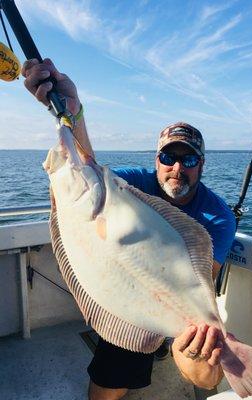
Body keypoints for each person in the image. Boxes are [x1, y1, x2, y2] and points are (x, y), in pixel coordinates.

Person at [22, 58, 236, 400]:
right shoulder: (132, 183)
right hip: (132, 298)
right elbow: (86, 169)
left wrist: (190, 332)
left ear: (202, 165)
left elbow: (202, 283)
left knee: (206, 373)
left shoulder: (219, 217)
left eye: (189, 159)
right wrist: (71, 111)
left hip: (175, 302)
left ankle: (183, 354)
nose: (177, 168)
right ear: (156, 160)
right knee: (111, 374)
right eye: (168, 158)